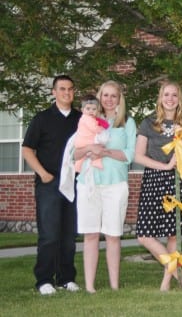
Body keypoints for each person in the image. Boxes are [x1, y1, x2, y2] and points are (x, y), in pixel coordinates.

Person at [73, 80, 137, 293]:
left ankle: (114, 286)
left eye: (113, 96)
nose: (109, 100)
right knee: (90, 234)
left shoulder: (126, 123)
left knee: (113, 235)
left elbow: (129, 156)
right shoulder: (87, 120)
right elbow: (74, 154)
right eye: (105, 95)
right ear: (99, 97)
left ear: (120, 99)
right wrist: (90, 148)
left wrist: (106, 152)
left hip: (115, 185)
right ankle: (90, 286)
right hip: (89, 183)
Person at [134, 81, 182, 291]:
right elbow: (138, 156)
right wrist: (163, 166)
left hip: (177, 179)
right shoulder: (148, 123)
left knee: (173, 233)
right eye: (166, 95)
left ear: (180, 99)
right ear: (160, 98)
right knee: (144, 234)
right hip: (153, 178)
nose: (170, 99)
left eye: (174, 95)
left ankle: (166, 282)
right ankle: (178, 269)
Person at [22, 75, 82, 295]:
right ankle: (44, 280)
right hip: (49, 183)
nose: (67, 93)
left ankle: (66, 278)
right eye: (62, 89)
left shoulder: (81, 119)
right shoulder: (42, 119)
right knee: (49, 235)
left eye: (70, 89)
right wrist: (43, 173)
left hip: (74, 184)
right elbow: (27, 149)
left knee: (69, 235)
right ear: (54, 92)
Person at [74, 94, 110, 172]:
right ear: (82, 109)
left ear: (97, 110)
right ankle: (97, 163)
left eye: (94, 109)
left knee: (83, 157)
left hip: (81, 141)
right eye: (88, 109)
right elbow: (94, 128)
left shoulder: (85, 118)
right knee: (98, 148)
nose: (91, 111)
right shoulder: (87, 118)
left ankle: (77, 167)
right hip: (86, 141)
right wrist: (101, 129)